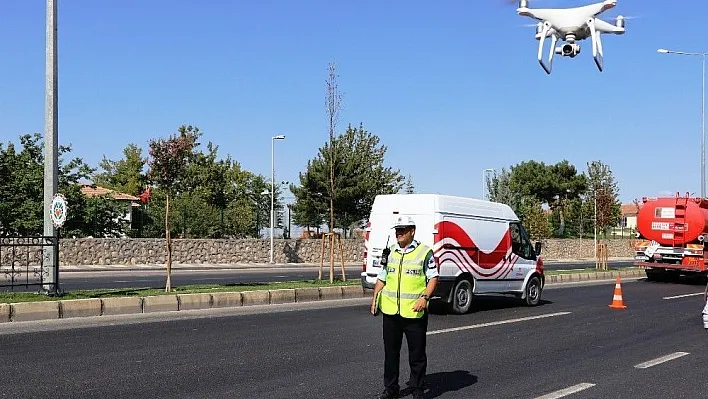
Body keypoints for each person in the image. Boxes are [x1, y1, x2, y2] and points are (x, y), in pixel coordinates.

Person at [370, 215, 439, 399]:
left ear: (412, 231)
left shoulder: (425, 252)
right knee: (390, 354)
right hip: (391, 312)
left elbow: (433, 278)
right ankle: (391, 389)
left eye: (402, 230)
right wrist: (375, 297)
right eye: (397, 230)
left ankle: (417, 388)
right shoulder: (390, 252)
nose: (398, 233)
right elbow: (382, 277)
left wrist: (424, 298)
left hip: (414, 313)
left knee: (416, 355)